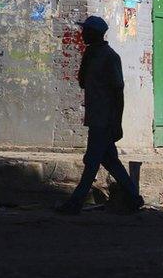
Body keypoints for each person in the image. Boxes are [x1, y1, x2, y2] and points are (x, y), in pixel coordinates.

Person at [56, 16, 143, 214]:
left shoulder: (110, 57)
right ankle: (133, 196)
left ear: (94, 34)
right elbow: (82, 82)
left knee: (92, 161)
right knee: (110, 160)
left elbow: (118, 92)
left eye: (86, 31)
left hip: (104, 119)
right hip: (95, 117)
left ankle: (75, 203)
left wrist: (117, 123)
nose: (82, 34)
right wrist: (86, 59)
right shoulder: (92, 54)